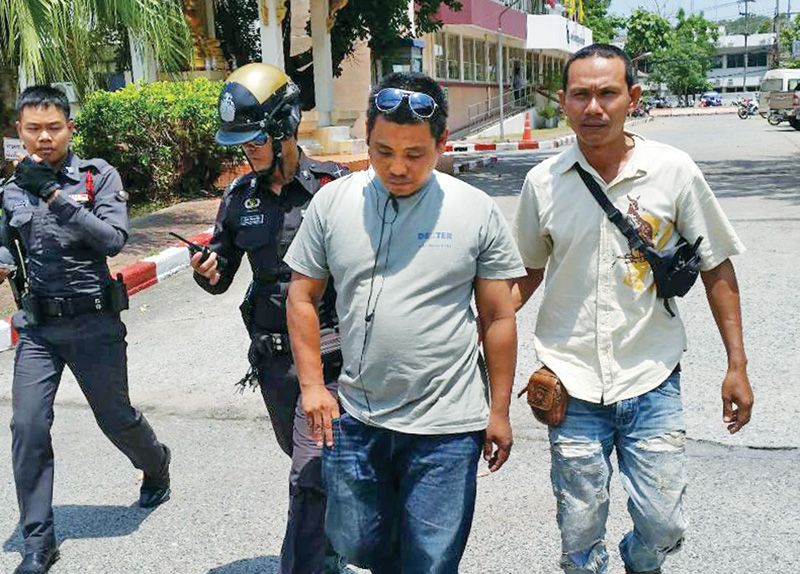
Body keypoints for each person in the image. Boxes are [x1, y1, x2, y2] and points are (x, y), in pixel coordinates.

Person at [512, 44, 754, 574]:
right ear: (563, 101)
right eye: (580, 95)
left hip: (652, 376)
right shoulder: (543, 182)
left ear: (633, 98)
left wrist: (736, 365)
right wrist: (478, 331)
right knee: (578, 535)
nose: (593, 107)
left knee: (664, 527)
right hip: (571, 380)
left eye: (607, 93)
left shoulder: (673, 171)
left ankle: (637, 560)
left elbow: (716, 267)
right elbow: (526, 272)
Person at [284, 71, 525, 573]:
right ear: (366, 136)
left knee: (431, 561)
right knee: (354, 542)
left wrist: (499, 410)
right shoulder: (333, 202)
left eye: (415, 154)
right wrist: (312, 386)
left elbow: (498, 316)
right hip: (357, 416)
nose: (397, 167)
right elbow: (302, 296)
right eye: (383, 151)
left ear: (442, 143)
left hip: (448, 426)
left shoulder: (475, 211)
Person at [0, 85, 171, 574]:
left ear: (70, 128)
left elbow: (113, 240)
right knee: (28, 426)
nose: (44, 137)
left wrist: (53, 195)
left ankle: (156, 463)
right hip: (39, 329)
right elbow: (7, 249)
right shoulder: (10, 190)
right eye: (34, 129)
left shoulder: (97, 177)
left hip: (94, 323)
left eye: (54, 127)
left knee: (116, 418)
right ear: (20, 133)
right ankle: (38, 542)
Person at [190, 63, 349, 574]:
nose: (249, 150)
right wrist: (207, 270)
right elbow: (222, 270)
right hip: (274, 364)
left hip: (331, 359)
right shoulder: (240, 197)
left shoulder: (334, 188)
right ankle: (330, 544)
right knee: (307, 461)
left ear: (286, 126)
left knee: (310, 470)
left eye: (256, 138)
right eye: (240, 142)